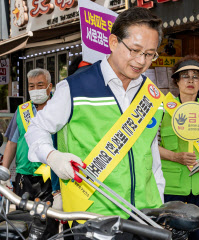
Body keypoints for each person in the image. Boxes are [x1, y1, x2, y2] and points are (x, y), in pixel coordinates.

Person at [25, 6, 165, 227]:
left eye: (149, 54)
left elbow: (152, 155)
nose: (141, 61)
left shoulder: (151, 95)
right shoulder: (75, 87)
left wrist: (159, 200)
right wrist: (52, 157)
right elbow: (36, 129)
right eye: (135, 50)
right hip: (93, 217)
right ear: (113, 43)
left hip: (145, 215)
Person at [158, 55, 199, 240]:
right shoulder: (163, 110)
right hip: (172, 186)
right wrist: (175, 157)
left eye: (196, 76)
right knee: (170, 235)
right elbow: (151, 146)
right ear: (176, 81)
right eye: (185, 76)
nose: (190, 80)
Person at [3, 68, 59, 237]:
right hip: (24, 177)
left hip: (51, 177)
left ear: (49, 87)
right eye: (32, 86)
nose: (35, 90)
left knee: (49, 223)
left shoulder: (58, 109)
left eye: (40, 85)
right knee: (23, 223)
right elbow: (12, 143)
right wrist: (4, 171)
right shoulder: (22, 111)